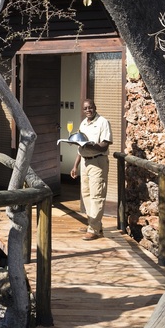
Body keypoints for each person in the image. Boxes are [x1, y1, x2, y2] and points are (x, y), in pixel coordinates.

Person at [71, 98, 111, 239]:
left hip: (97, 162)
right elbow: (80, 147)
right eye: (85, 108)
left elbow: (105, 145)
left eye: (90, 107)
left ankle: (93, 229)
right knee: (86, 194)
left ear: (95, 107)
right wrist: (75, 165)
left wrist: (90, 145)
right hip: (84, 162)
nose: (88, 110)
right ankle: (94, 224)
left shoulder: (103, 122)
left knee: (97, 196)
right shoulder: (83, 124)